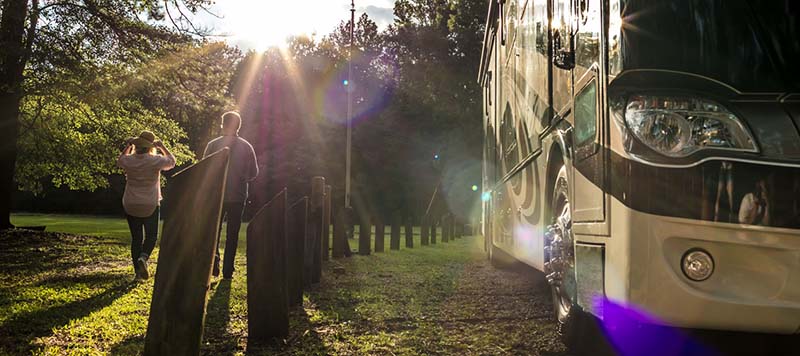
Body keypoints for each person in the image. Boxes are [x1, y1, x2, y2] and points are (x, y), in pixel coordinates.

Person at [204, 111, 258, 279]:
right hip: (238, 195)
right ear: (239, 126)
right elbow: (254, 173)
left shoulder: (213, 145)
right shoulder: (247, 146)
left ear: (223, 124)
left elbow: (204, 169)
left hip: (216, 195)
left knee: (214, 231)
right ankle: (228, 270)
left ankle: (214, 261)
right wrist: (242, 177)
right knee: (232, 234)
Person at [117, 130, 176, 280]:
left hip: (130, 203)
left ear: (136, 145)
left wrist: (128, 146)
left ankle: (138, 274)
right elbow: (171, 161)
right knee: (151, 236)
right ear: (150, 146)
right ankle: (143, 257)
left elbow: (120, 160)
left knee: (136, 238)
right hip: (150, 203)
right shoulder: (155, 160)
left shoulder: (129, 160)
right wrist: (162, 146)